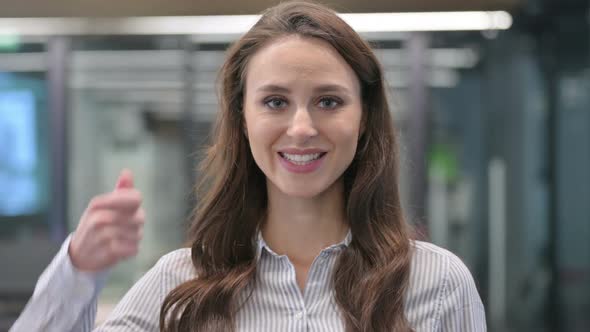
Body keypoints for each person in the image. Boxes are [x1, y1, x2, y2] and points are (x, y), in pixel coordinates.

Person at [10, 1, 486, 331]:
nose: (301, 127)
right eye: (275, 101)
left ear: (364, 119)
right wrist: (77, 270)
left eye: (328, 101)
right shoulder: (181, 285)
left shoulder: (438, 284)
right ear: (243, 120)